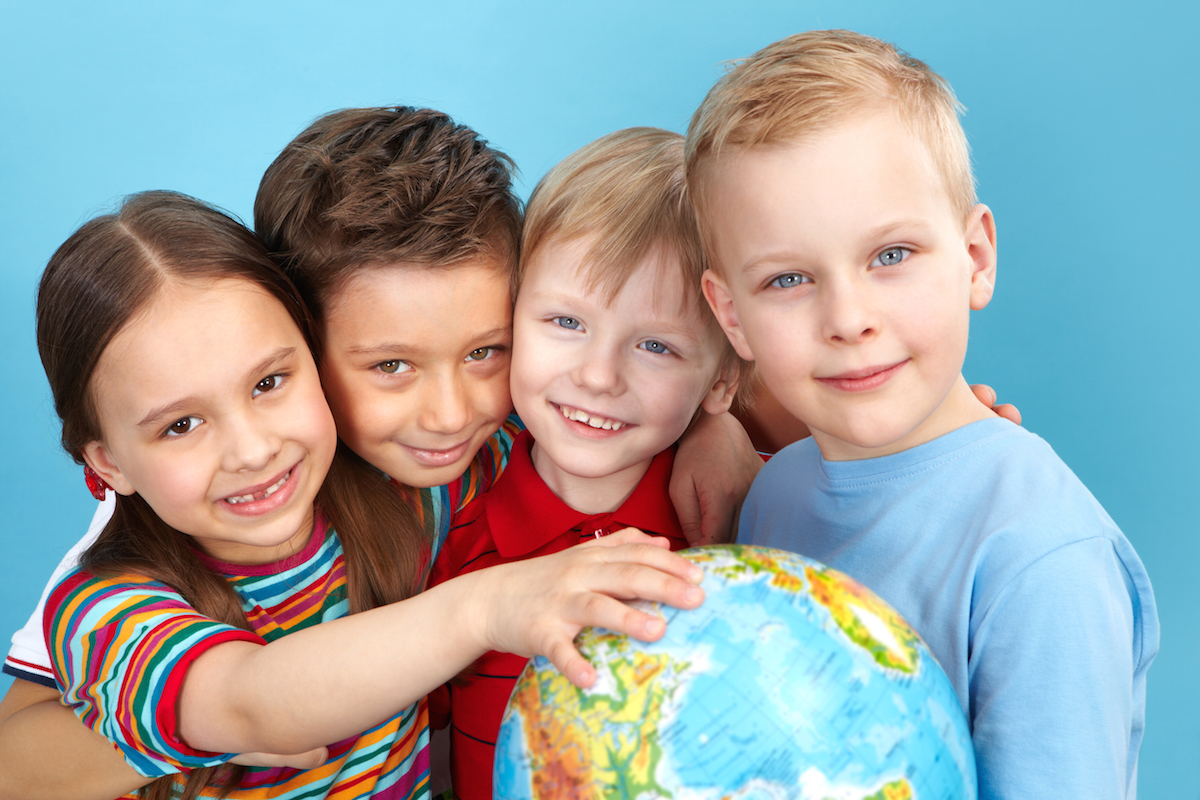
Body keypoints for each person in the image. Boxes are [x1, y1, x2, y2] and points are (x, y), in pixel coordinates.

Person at [0, 107, 756, 799]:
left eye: (486, 351)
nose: (450, 414)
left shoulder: (430, 483)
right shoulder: (108, 599)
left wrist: (715, 423)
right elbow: (248, 703)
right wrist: (488, 607)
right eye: (391, 365)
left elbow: (625, 380)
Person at [688, 30, 1159, 799]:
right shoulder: (775, 494)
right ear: (730, 316)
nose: (849, 319)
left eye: (891, 255)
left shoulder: (1040, 559)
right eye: (788, 279)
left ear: (975, 259)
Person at [426, 127, 741, 799]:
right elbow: (431, 755)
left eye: (655, 346)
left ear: (722, 381)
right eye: (567, 323)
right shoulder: (447, 531)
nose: (598, 376)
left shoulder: (742, 523)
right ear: (510, 318)